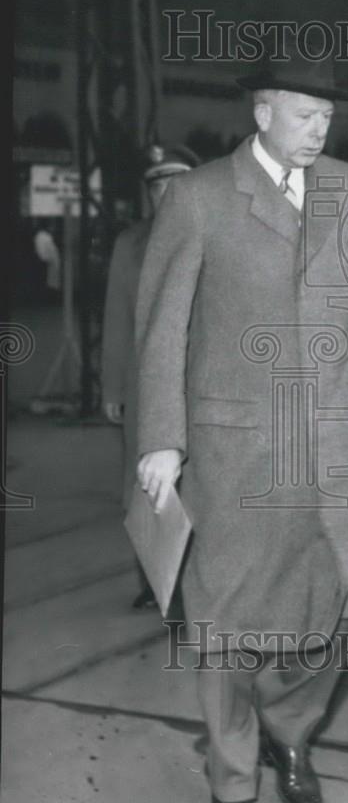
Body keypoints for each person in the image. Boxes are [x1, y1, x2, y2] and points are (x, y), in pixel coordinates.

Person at [134, 52, 348, 803]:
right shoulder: (201, 196)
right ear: (261, 113)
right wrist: (162, 439)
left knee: (340, 615)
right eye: (303, 113)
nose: (319, 129)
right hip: (238, 448)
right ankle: (233, 775)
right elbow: (163, 325)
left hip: (342, 445)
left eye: (328, 116)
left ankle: (291, 731)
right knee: (226, 624)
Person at [101, 143, 199, 609]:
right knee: (141, 485)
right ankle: (155, 579)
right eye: (157, 186)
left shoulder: (212, 236)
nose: (165, 193)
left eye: (175, 183)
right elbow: (117, 317)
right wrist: (113, 387)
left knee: (197, 483)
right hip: (145, 387)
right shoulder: (131, 243)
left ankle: (192, 583)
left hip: (200, 383)